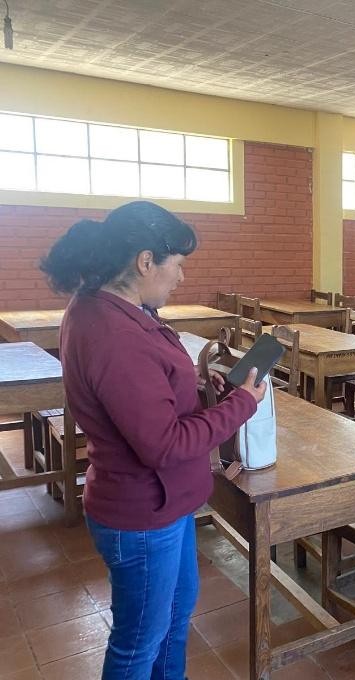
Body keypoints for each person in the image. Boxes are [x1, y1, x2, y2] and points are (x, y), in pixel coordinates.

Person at [40, 201, 267, 680]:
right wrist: (241, 403)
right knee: (138, 643)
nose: (180, 278)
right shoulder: (112, 332)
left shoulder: (113, 310)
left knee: (171, 617)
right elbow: (162, 444)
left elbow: (149, 403)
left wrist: (205, 395)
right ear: (146, 261)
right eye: (178, 265)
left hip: (164, 503)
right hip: (142, 513)